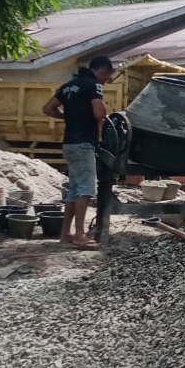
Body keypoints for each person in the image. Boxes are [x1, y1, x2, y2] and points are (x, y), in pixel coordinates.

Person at [42, 56, 112, 250]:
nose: (106, 81)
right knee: (85, 189)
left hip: (69, 144)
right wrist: (102, 116)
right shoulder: (94, 86)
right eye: (107, 77)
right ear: (103, 71)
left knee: (74, 189)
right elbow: (99, 114)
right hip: (83, 143)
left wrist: (68, 117)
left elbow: (48, 108)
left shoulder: (68, 86)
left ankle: (66, 234)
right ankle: (80, 235)